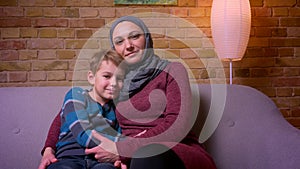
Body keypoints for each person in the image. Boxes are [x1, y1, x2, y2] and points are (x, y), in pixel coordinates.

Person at [39, 16, 217, 169]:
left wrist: (123, 149)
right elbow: (67, 112)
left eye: (135, 36)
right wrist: (49, 150)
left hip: (171, 149)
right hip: (126, 155)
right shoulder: (115, 83)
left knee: (146, 156)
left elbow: (178, 126)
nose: (128, 45)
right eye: (119, 41)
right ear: (114, 47)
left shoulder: (172, 70)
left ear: (146, 39)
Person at [40, 49, 127, 169]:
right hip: (69, 157)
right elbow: (82, 133)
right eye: (107, 76)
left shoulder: (118, 109)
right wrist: (117, 147)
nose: (114, 83)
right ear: (91, 77)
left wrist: (121, 153)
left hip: (101, 162)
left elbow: (122, 135)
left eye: (120, 78)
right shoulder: (76, 96)